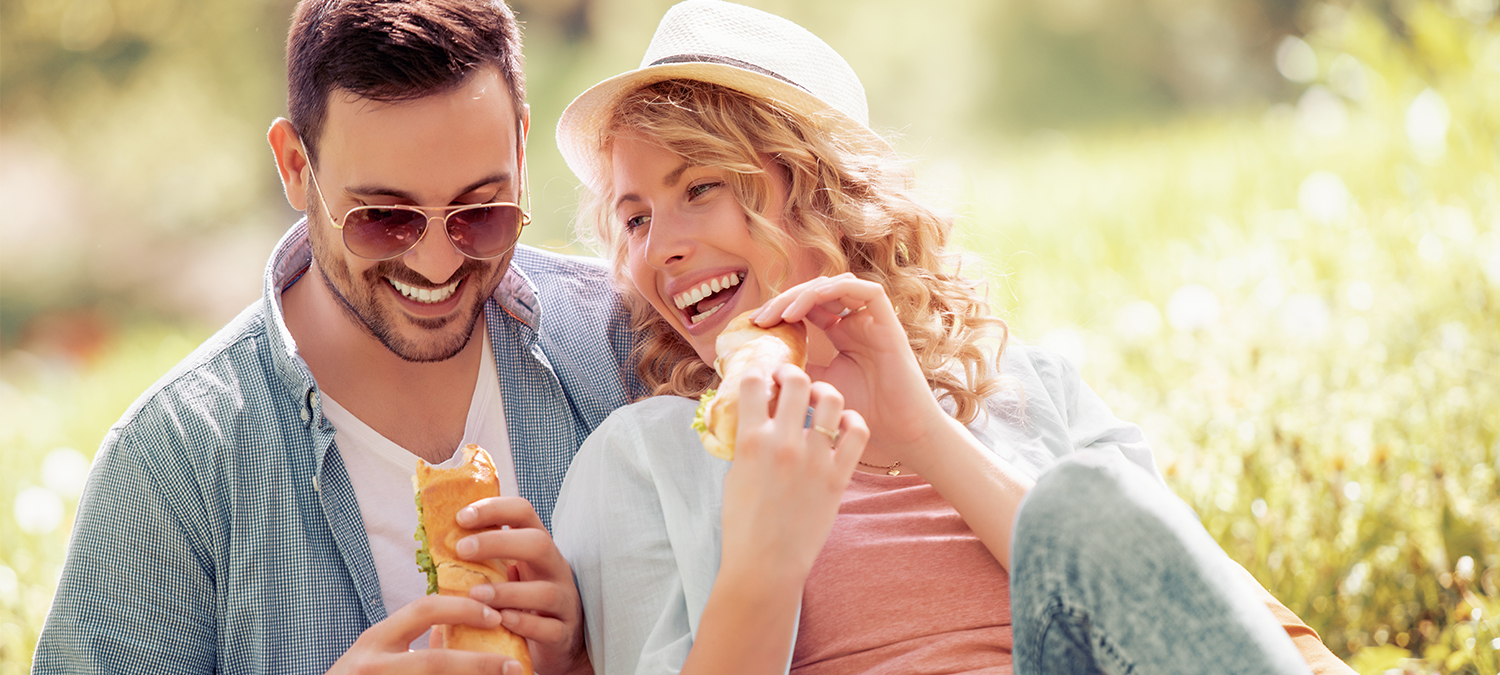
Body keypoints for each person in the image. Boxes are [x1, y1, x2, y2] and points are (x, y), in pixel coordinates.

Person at [550, 2, 1356, 674]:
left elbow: (1193, 612)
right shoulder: (639, 460)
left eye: (701, 188)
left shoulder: (1031, 388)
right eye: (635, 219)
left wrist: (926, 436)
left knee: (1085, 501)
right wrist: (764, 559)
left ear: (819, 190)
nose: (659, 248)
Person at [33, 1, 635, 673]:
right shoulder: (172, 465)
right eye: (382, 217)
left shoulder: (628, 350)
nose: (436, 263)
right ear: (295, 165)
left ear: (521, 150)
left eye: (479, 211)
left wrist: (588, 650)